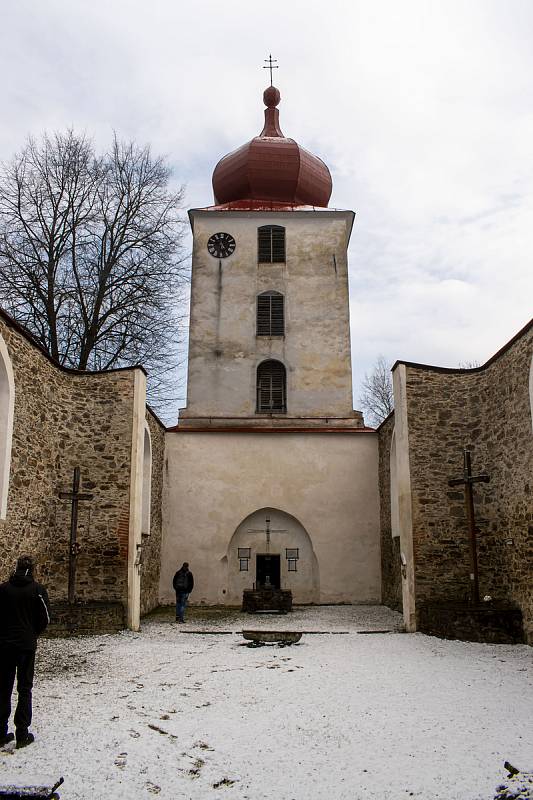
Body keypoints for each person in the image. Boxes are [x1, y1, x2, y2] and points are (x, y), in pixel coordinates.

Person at [0, 554, 50, 749]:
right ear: (32, 569)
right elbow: (45, 617)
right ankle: (22, 732)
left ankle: (0, 732)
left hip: (4, 645)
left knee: (3, 688)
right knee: (24, 688)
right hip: (26, 646)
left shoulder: (3, 590)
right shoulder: (37, 590)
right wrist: (33, 632)